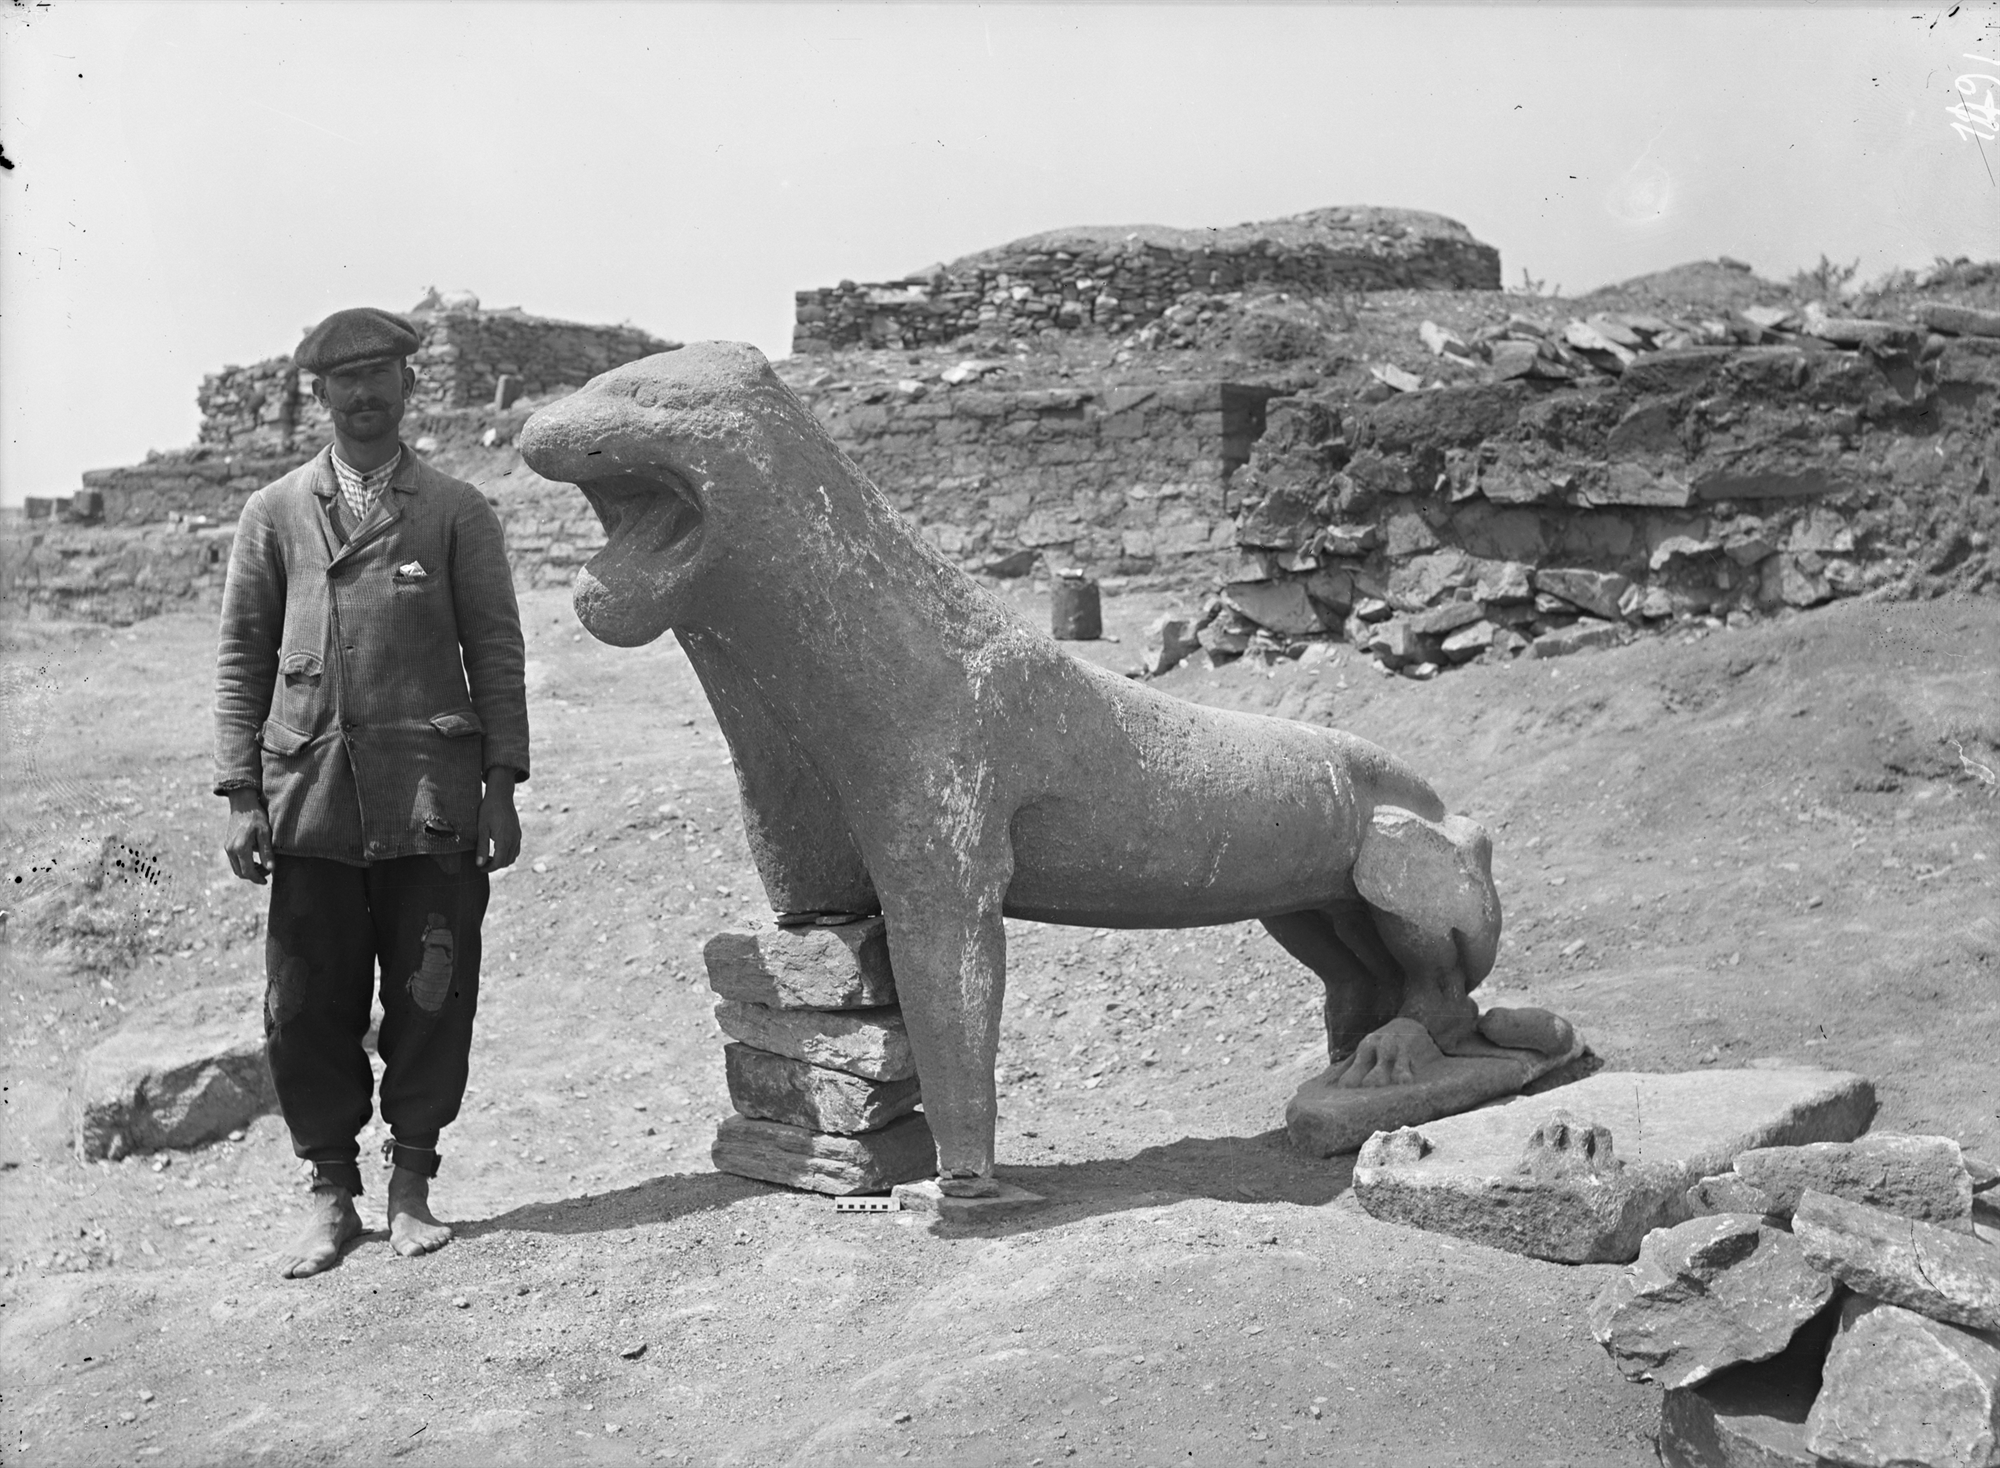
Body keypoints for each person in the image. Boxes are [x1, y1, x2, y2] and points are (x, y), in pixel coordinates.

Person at [213, 307, 530, 1278]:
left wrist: (503, 781)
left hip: (428, 799)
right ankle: (329, 1192)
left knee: (432, 996)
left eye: (380, 376)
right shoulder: (274, 513)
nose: (363, 395)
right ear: (318, 394)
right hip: (308, 799)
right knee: (304, 1004)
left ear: (407, 386)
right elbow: (240, 659)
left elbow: (497, 652)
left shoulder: (452, 509)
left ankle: (412, 1184)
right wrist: (240, 790)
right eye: (343, 381)